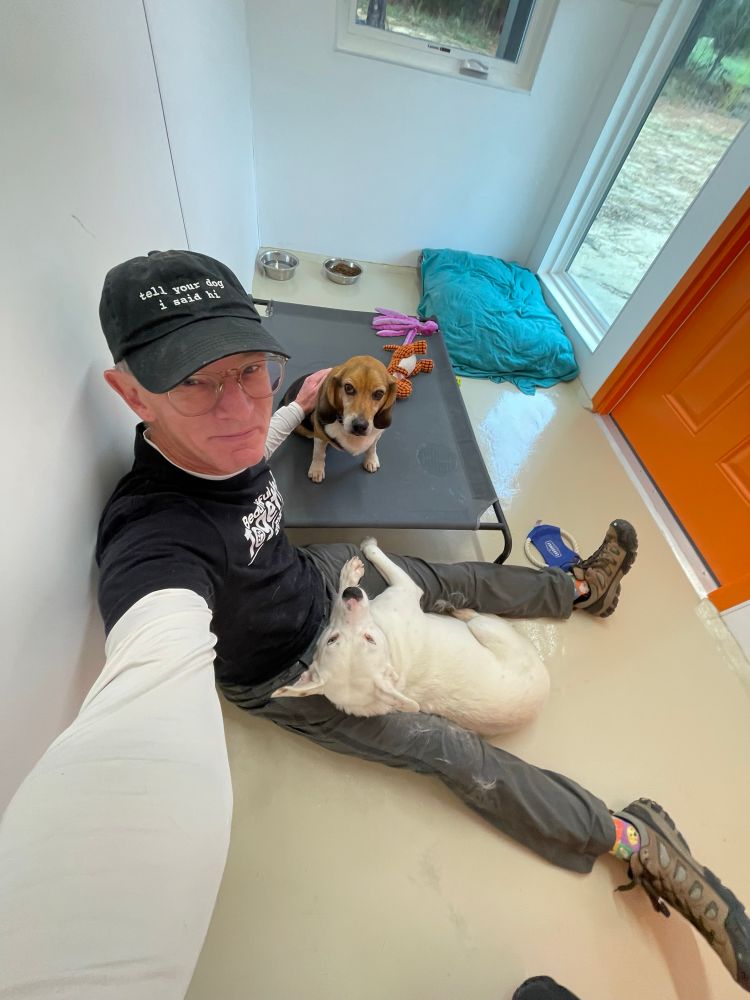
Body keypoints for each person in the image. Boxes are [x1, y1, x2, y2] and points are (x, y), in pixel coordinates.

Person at [0, 249, 747, 999]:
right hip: (297, 670)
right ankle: (634, 839)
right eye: (193, 381)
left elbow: (257, 440)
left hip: (322, 578)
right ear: (132, 394)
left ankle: (580, 589)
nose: (238, 407)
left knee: (451, 577)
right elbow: (146, 684)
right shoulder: (153, 538)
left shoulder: (231, 438)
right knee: (451, 748)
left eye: (248, 369)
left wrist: (300, 402)